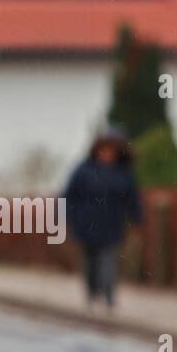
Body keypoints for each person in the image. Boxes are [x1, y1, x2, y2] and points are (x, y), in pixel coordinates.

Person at [63, 126, 143, 310]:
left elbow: (132, 199)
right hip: (86, 224)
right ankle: (92, 292)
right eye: (105, 149)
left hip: (112, 224)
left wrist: (137, 218)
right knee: (90, 262)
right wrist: (68, 217)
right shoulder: (83, 170)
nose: (108, 154)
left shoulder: (124, 173)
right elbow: (69, 196)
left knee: (108, 260)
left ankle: (109, 294)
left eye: (112, 150)